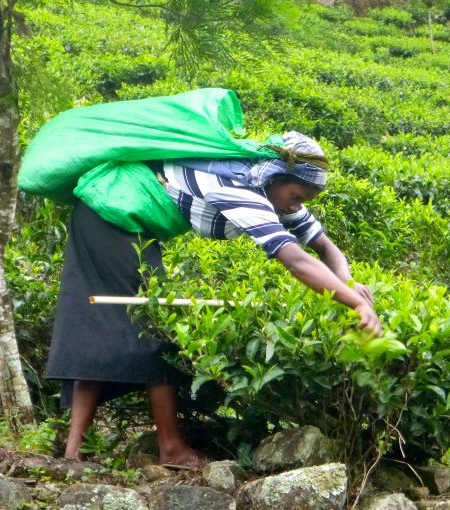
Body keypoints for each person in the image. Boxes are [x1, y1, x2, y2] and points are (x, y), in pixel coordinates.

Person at [45, 131, 381, 466]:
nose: (297, 206)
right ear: (275, 177)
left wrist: (349, 284)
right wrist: (355, 303)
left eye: (303, 200)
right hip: (111, 210)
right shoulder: (236, 186)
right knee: (153, 326)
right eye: (295, 195)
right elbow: (295, 259)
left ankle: (77, 452)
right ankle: (170, 448)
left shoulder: (274, 192)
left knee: (103, 324)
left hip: (113, 212)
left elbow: (324, 247)